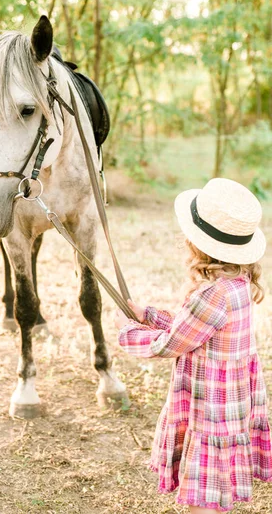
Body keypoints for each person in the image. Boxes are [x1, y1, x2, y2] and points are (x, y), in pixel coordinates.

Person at [115, 178, 272, 513]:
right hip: (231, 403)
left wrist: (128, 331)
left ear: (197, 245)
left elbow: (171, 345)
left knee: (204, 497)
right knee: (214, 486)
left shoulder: (210, 295)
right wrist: (150, 314)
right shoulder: (238, 286)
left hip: (210, 408)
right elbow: (195, 331)